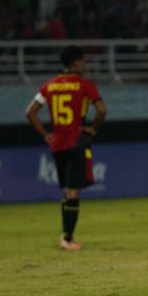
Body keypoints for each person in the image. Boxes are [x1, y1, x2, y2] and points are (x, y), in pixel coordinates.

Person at [26, 45, 106, 251]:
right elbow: (101, 110)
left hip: (57, 145)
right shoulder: (84, 85)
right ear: (77, 62)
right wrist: (92, 130)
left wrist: (45, 135)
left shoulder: (49, 86)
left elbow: (31, 112)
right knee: (74, 191)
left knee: (67, 190)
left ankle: (65, 236)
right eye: (84, 61)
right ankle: (67, 239)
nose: (85, 65)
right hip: (76, 141)